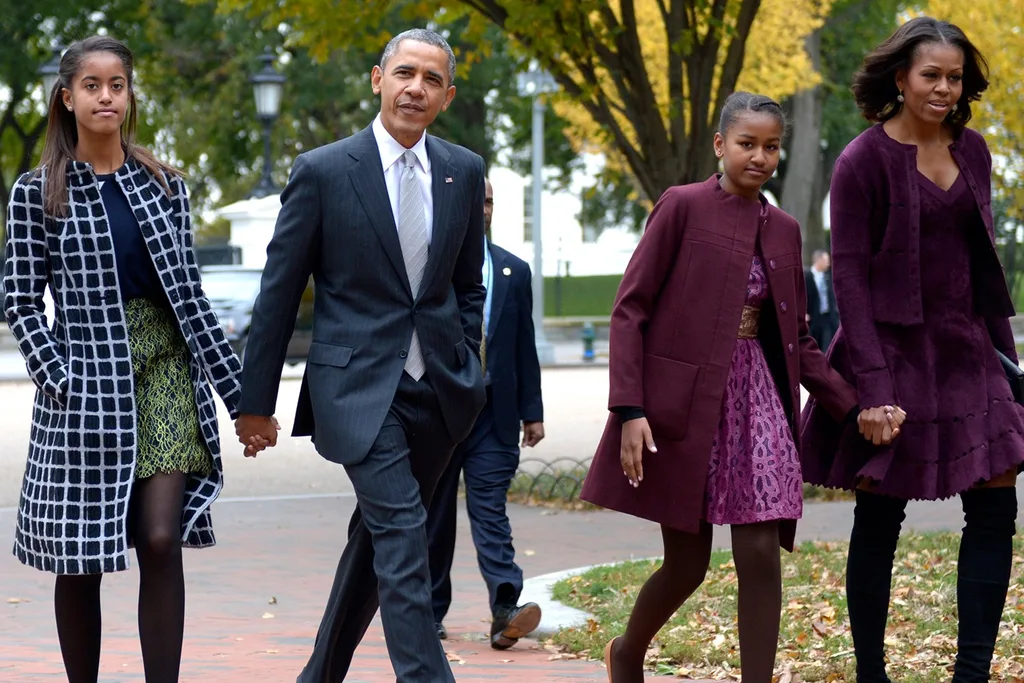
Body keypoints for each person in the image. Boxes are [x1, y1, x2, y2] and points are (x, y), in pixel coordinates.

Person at [579, 92, 901, 683]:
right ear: (721, 144)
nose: (760, 156)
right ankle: (627, 651)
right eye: (747, 143)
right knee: (687, 565)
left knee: (758, 552)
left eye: (771, 146)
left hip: (759, 401)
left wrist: (851, 406)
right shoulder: (680, 206)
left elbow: (798, 338)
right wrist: (629, 408)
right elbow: (630, 310)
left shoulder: (783, 229)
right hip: (683, 406)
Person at [233, 28, 487, 683]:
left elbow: (467, 285)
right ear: (378, 79)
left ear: (447, 94)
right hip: (356, 390)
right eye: (405, 73)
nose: (416, 88)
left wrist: (468, 365)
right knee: (403, 532)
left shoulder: (464, 171)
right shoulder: (323, 171)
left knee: (375, 539)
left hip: (438, 392)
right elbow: (279, 291)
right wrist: (255, 403)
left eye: (432, 79)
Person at [3, 36, 244, 683]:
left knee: (160, 539)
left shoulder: (165, 185)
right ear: (67, 97)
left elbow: (191, 296)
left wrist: (242, 397)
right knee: (80, 556)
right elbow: (20, 301)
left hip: (164, 367)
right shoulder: (37, 192)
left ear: (129, 94)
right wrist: (59, 377)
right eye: (92, 85)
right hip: (85, 381)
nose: (106, 96)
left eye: (117, 84)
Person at [800, 16, 1023, 683]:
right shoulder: (860, 161)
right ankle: (872, 673)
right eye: (932, 75)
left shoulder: (975, 150)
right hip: (888, 353)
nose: (945, 89)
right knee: (880, 512)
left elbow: (984, 265)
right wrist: (871, 387)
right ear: (900, 76)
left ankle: (971, 673)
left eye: (955, 77)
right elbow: (850, 280)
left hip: (968, 350)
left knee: (996, 501)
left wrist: (1008, 367)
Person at [426, 177, 545, 648]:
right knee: (434, 516)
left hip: (495, 414)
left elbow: (523, 347)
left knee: (490, 509)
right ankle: (431, 612)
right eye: (477, 201)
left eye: (490, 201)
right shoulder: (430, 267)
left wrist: (532, 412)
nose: (484, 209)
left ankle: (505, 607)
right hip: (439, 409)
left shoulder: (514, 271)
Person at [804, 249, 839, 352]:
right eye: (826, 260)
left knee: (827, 345)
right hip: (814, 317)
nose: (828, 263)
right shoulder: (807, 277)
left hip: (828, 317)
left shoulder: (828, 276)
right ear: (818, 260)